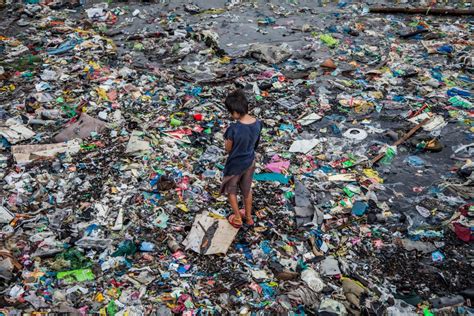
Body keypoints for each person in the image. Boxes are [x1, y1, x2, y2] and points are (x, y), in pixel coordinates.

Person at [220, 89, 262, 228]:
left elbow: (228, 149)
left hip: (235, 165)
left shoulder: (233, 128)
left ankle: (237, 218)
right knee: (246, 190)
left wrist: (226, 138)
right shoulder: (258, 123)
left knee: (231, 191)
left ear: (235, 111)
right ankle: (249, 218)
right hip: (250, 161)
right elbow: (256, 144)